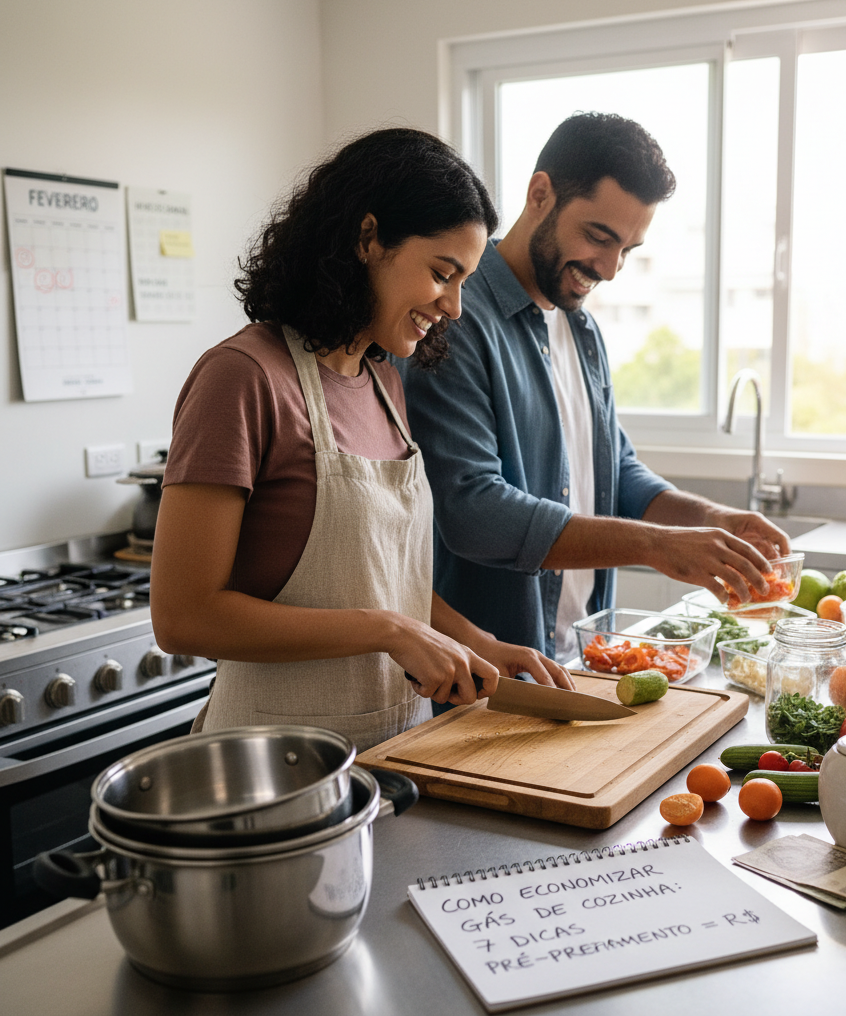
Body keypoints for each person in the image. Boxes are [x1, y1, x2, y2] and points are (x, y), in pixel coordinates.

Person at [150, 128, 573, 752]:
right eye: (443, 273)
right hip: (273, 768)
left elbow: (383, 577)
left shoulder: (384, 383)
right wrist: (389, 631)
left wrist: (477, 643)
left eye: (464, 280)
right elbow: (183, 617)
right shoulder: (242, 378)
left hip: (394, 753)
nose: (455, 306)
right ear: (368, 238)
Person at [399, 113, 790, 663]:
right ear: (540, 194)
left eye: (628, 249)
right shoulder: (456, 321)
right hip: (484, 674)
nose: (609, 268)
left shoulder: (581, 329)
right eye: (599, 237)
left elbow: (616, 472)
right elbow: (473, 513)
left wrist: (708, 519)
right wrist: (656, 546)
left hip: (577, 658)